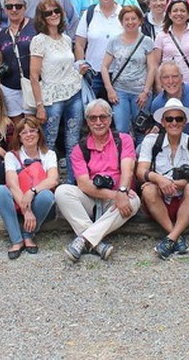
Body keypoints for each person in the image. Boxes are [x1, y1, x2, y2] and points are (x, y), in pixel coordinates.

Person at [55, 99, 141, 262]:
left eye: (103, 117)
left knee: (134, 200)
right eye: (93, 118)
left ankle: (83, 239)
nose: (98, 122)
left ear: (110, 118)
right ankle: (96, 243)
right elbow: (83, 184)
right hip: (94, 199)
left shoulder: (123, 140)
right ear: (87, 121)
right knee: (62, 191)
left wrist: (122, 191)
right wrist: (115, 195)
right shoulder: (79, 149)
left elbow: (128, 170)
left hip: (117, 201)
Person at [136, 98, 189, 259]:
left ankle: (170, 238)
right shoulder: (151, 141)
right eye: (169, 119)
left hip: (185, 200)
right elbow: (140, 171)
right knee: (148, 190)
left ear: (185, 122)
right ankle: (176, 236)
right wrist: (158, 179)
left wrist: (169, 183)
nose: (174, 123)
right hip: (160, 200)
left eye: (178, 119)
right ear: (163, 122)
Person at [29, 0, 84, 182]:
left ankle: (72, 183)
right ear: (42, 17)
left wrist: (79, 71)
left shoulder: (66, 39)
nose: (53, 15)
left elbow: (67, 65)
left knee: (73, 141)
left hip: (74, 92)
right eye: (48, 13)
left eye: (56, 11)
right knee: (48, 142)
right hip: (51, 97)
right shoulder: (38, 40)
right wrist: (39, 105)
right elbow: (34, 76)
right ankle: (46, 182)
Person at [0, 116, 60, 259]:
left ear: (39, 133)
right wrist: (26, 210)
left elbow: (53, 180)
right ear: (19, 137)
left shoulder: (49, 154)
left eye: (32, 131)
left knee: (47, 195)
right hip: (19, 202)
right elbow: (12, 184)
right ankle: (16, 240)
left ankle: (28, 235)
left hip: (40, 203)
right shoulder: (11, 156)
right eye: (24, 132)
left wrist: (32, 191)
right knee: (0, 191)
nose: (29, 135)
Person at [101, 5, 156, 141]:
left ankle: (141, 154)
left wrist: (146, 91)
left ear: (140, 21)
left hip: (140, 92)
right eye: (126, 19)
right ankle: (124, 153)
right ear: (121, 22)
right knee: (121, 129)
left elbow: (152, 67)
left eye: (133, 19)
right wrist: (110, 89)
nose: (130, 22)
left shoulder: (147, 41)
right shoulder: (114, 41)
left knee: (141, 129)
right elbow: (104, 66)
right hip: (120, 92)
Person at [75, 0, 123, 100]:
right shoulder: (90, 13)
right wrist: (81, 64)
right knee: (92, 108)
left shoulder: (123, 14)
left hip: (118, 74)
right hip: (93, 74)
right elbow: (79, 43)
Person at [0, 0, 36, 123]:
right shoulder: (3, 34)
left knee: (32, 123)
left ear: (25, 8)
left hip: (31, 84)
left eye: (18, 6)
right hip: (9, 86)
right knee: (17, 125)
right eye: (9, 7)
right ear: (5, 10)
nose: (14, 10)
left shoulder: (35, 27)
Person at [151, 0, 189, 88]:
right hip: (168, 85)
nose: (179, 13)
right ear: (169, 14)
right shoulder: (161, 35)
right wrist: (158, 85)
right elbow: (155, 63)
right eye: (175, 11)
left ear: (188, 15)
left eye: (182, 11)